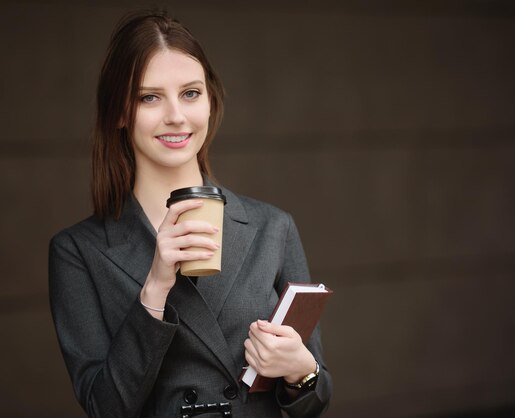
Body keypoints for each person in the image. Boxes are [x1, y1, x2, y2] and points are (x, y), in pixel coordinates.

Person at [49, 9, 332, 418]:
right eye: (149, 97)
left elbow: (317, 397)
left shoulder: (273, 227)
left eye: (190, 93)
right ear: (120, 113)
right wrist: (155, 288)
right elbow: (104, 407)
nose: (176, 116)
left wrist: (300, 371)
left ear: (211, 99)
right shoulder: (78, 251)